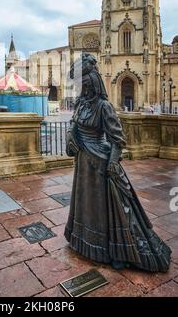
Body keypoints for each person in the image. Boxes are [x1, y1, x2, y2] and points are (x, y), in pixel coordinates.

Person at [65, 53, 171, 272]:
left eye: (84, 85)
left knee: (110, 208)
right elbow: (74, 126)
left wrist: (113, 163)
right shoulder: (81, 105)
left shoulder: (104, 107)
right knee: (87, 204)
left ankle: (116, 250)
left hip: (101, 163)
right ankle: (84, 240)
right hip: (84, 162)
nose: (81, 90)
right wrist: (70, 135)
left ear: (92, 84)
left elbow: (117, 139)